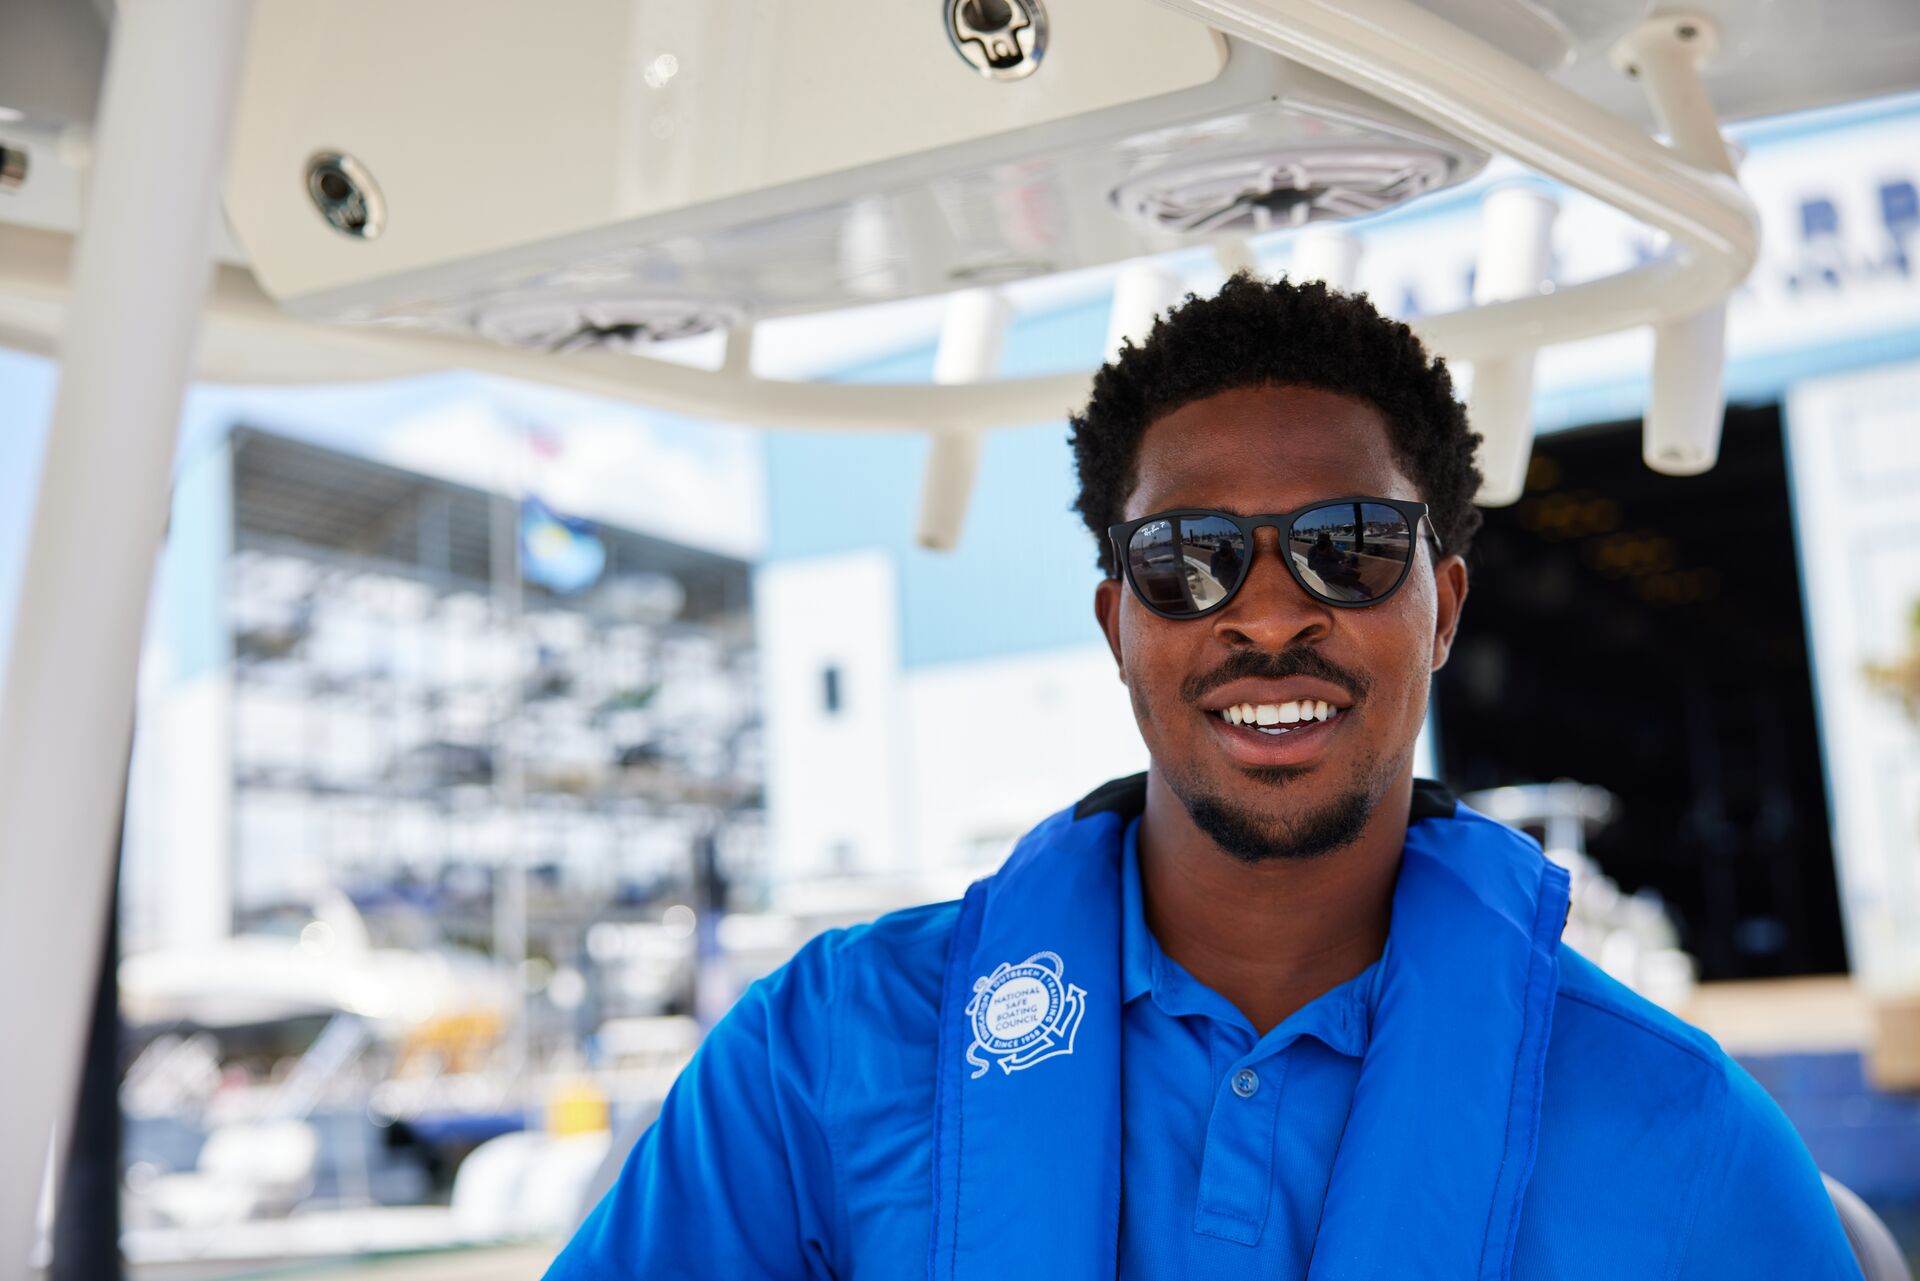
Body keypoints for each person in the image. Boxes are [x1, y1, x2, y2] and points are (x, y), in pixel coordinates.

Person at [544, 274, 1860, 1279]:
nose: (1272, 615)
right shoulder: (820, 1060)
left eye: (1349, 547)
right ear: (1119, 620)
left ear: (1443, 606)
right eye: (1191, 557)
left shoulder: (1686, 1136)